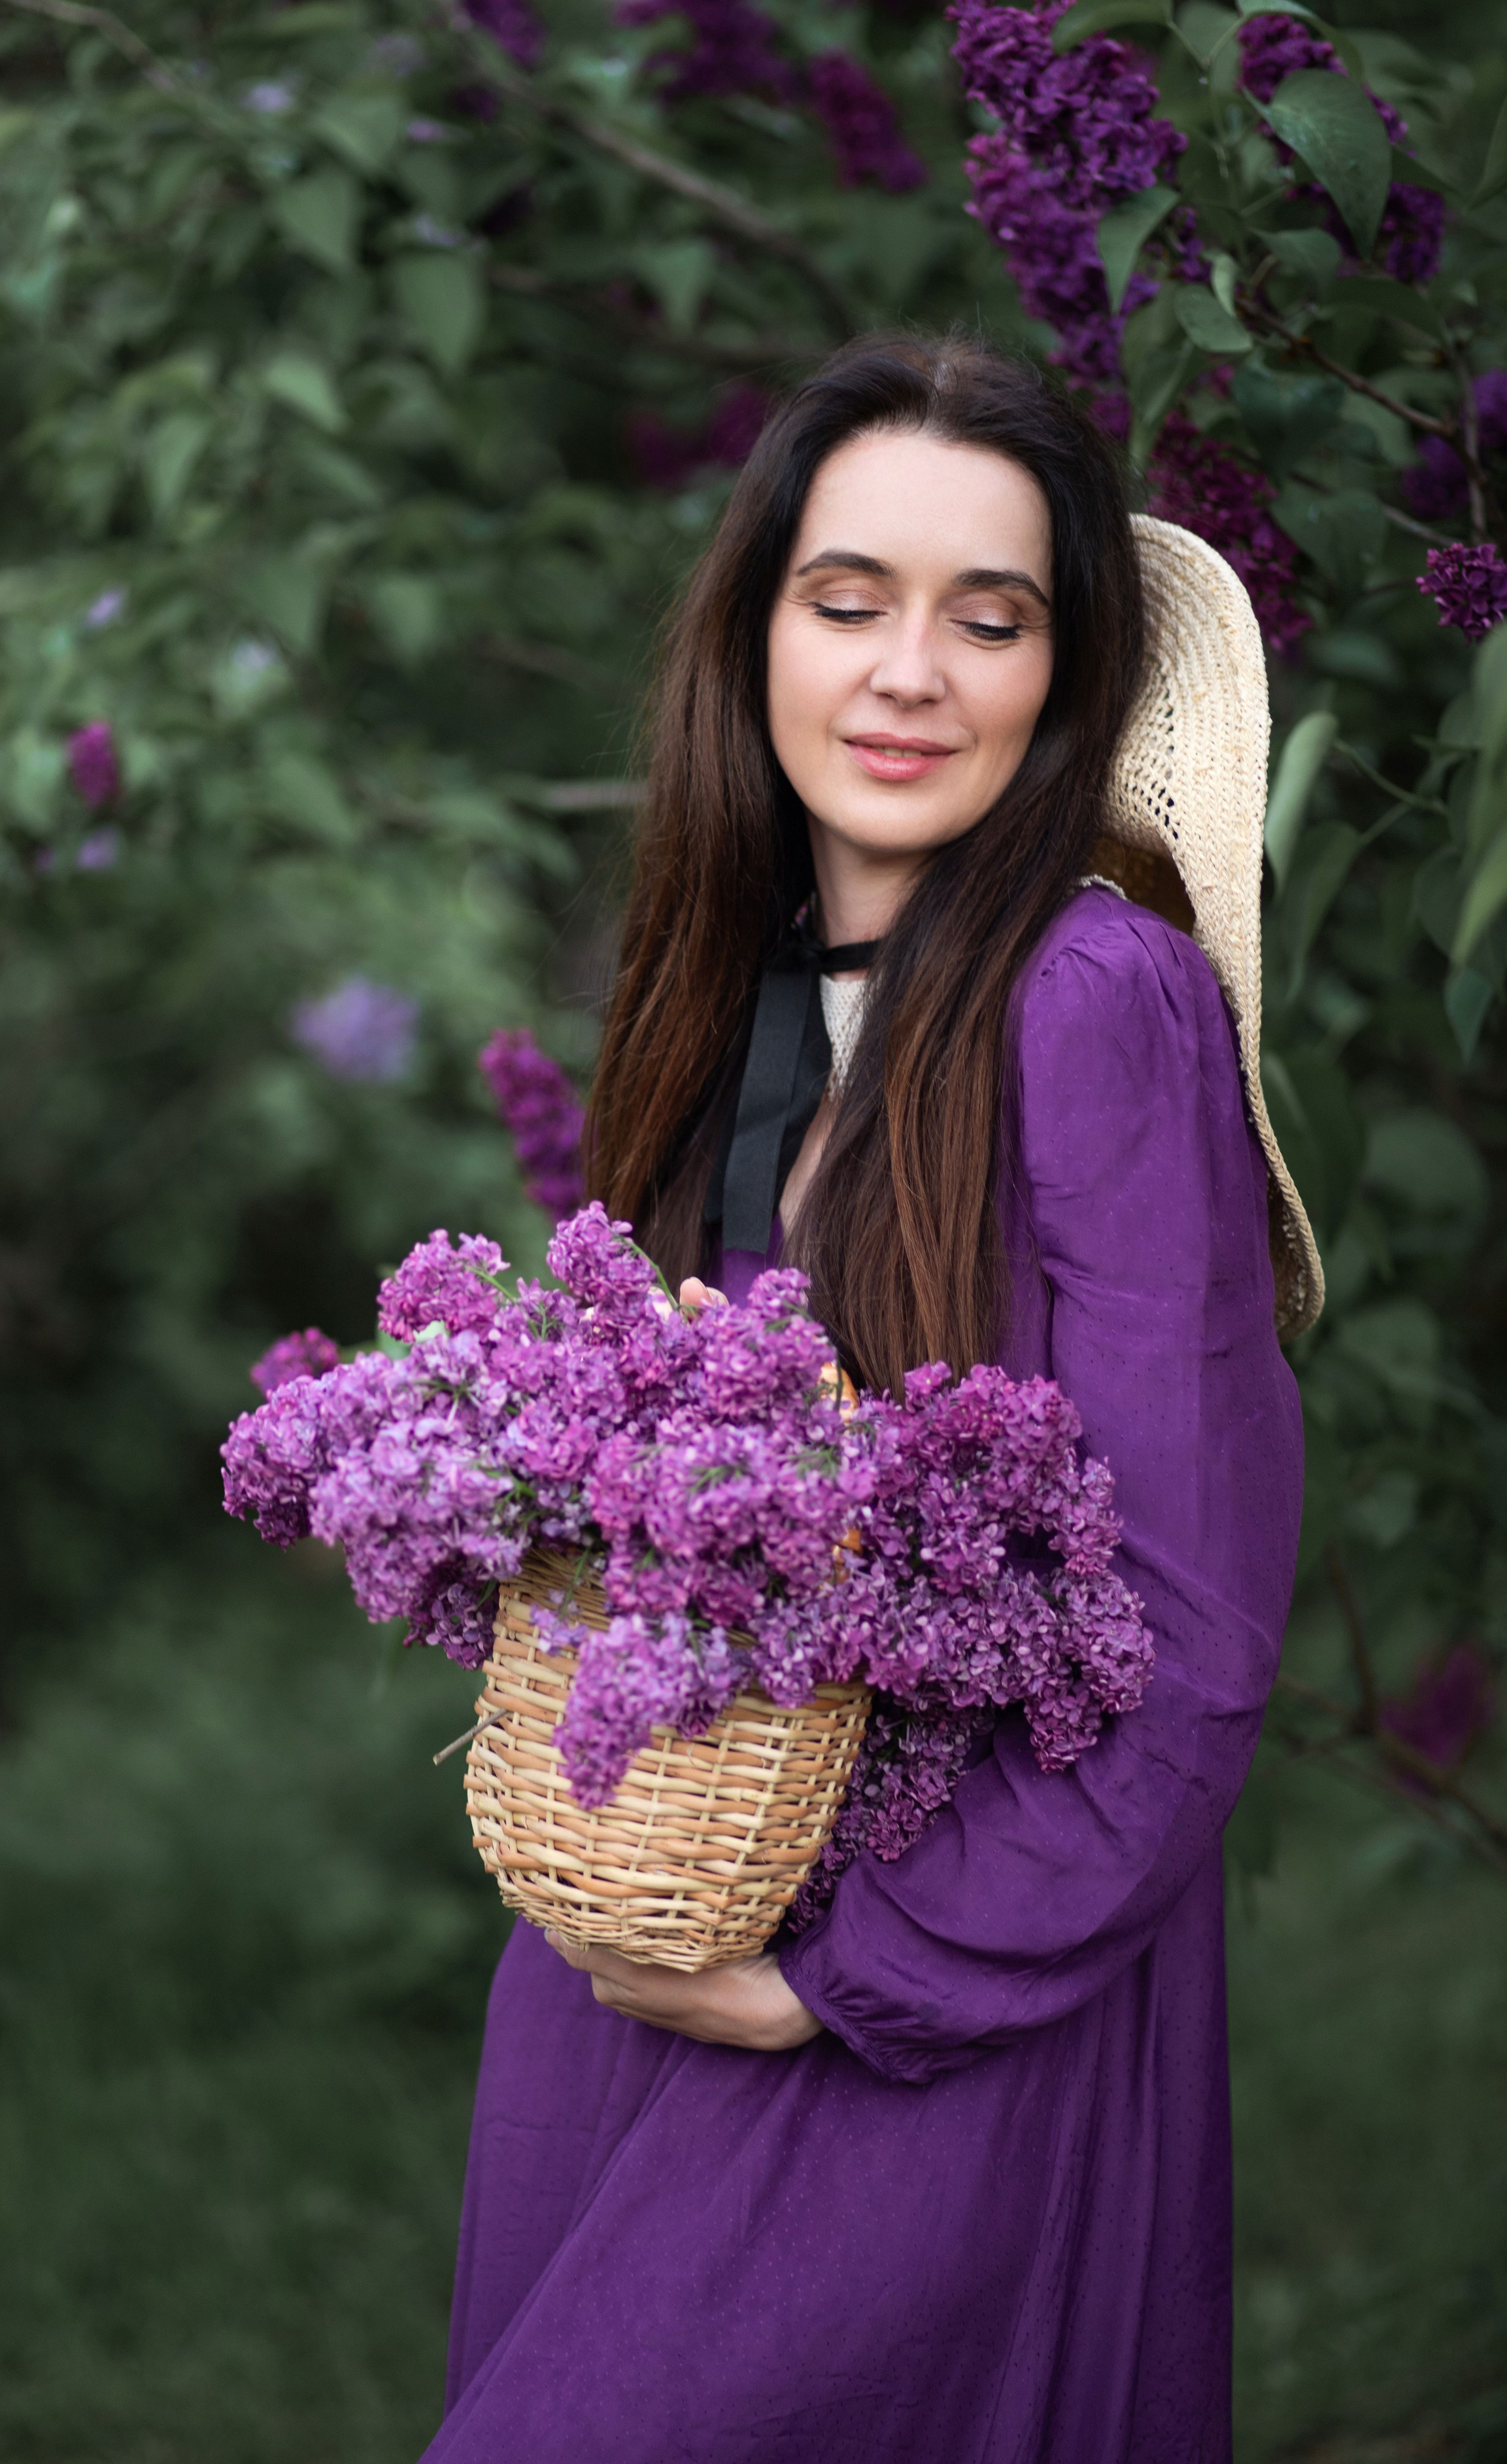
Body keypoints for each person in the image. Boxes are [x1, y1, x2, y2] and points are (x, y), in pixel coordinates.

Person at [422, 333, 1319, 2463]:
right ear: (757, 638)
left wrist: (858, 1981)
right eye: (850, 601)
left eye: (987, 619)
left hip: (933, 1993)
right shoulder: (730, 1003)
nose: (910, 672)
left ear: (1064, 683)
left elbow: (1191, 1629)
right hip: (646, 1949)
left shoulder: (1096, 997)